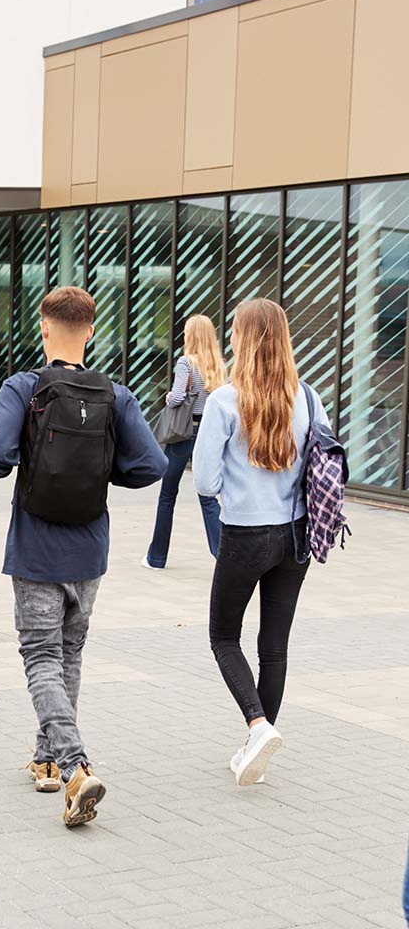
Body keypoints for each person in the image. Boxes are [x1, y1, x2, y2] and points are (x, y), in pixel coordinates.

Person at [0, 286, 166, 826]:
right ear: (90, 330)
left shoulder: (23, 386)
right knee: (69, 655)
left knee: (41, 657)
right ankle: (45, 761)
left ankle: (75, 766)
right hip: (89, 548)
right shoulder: (117, 395)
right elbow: (152, 464)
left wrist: (21, 466)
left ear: (43, 327)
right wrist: (101, 473)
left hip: (36, 546)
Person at [193, 298, 331, 787]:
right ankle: (259, 745)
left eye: (234, 331)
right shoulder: (309, 398)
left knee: (222, 636)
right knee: (274, 645)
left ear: (244, 340)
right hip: (296, 536)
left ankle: (256, 727)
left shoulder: (224, 401)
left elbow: (205, 482)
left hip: (246, 535)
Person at [143, 314, 225, 569]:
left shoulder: (186, 363)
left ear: (191, 335)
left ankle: (156, 558)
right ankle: (223, 555)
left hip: (182, 434)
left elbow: (178, 397)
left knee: (168, 494)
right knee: (207, 495)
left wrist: (168, 397)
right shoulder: (219, 365)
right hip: (207, 433)